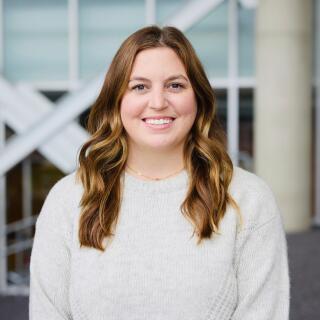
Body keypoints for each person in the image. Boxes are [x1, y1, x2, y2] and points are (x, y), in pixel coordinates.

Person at [29, 25, 290, 319]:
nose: (157, 102)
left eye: (175, 85)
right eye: (139, 86)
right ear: (118, 101)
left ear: (198, 98)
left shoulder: (249, 199)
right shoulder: (69, 199)